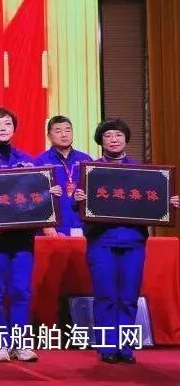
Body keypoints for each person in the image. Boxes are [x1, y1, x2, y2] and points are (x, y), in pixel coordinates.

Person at [73, 119, 179, 364]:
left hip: (133, 241)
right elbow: (76, 207)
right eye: (108, 135)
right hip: (101, 241)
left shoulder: (143, 172)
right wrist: (77, 197)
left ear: (126, 139)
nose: (114, 139)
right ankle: (107, 347)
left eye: (118, 135)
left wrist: (169, 202)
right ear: (101, 141)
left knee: (129, 296)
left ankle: (126, 347)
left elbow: (153, 202)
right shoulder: (90, 171)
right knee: (106, 295)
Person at [0, 107, 61, 363]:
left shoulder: (30, 162)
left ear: (14, 129)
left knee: (20, 290)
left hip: (21, 238)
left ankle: (20, 344)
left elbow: (37, 197)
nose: (3, 128)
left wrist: (50, 196)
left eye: (8, 124)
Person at [33, 116, 92, 236]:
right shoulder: (41, 161)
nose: (64, 135)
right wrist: (46, 225)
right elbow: (34, 196)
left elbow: (95, 192)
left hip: (83, 227)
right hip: (53, 229)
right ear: (49, 136)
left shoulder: (85, 159)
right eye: (58, 131)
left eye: (68, 130)